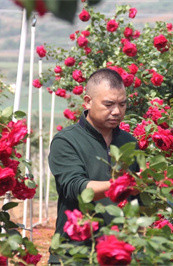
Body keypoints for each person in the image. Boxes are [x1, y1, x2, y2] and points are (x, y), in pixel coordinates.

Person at [48, 68, 139, 264]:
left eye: (122, 104)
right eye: (109, 104)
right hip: (74, 254)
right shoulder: (66, 141)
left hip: (118, 253)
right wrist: (124, 183)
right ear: (88, 102)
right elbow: (77, 189)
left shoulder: (129, 142)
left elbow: (137, 201)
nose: (117, 111)